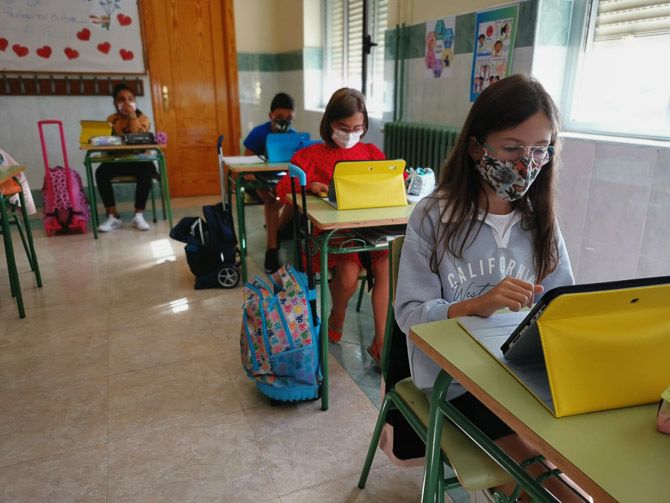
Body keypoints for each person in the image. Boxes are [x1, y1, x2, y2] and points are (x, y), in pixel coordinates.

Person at [395, 75, 583, 500]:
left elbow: (563, 305)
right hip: (456, 381)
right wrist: (474, 305)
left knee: (578, 465)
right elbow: (409, 313)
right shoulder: (434, 216)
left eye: (540, 150)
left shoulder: (540, 220)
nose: (526, 163)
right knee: (552, 491)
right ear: (476, 147)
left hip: (518, 377)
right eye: (512, 149)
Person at [275, 88, 388, 364]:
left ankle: (382, 343)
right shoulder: (312, 155)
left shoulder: (371, 153)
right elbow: (284, 187)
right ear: (329, 124)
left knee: (387, 266)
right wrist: (310, 186)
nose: (351, 134)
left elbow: (388, 182)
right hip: (336, 233)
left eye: (358, 128)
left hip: (371, 229)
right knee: (348, 276)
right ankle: (337, 316)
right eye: (343, 128)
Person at [243, 92, 296, 273]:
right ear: (270, 116)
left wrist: (282, 185)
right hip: (258, 180)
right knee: (272, 201)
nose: (284, 121)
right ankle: (272, 249)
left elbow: (294, 167)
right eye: (280, 116)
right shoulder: (259, 133)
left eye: (289, 118)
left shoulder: (294, 137)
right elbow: (247, 167)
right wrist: (260, 182)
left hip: (280, 179)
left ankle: (276, 229)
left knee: (295, 200)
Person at [96, 83, 155, 232]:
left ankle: (138, 215)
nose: (127, 103)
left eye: (130, 99)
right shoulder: (112, 119)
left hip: (139, 160)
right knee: (101, 172)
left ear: (135, 101)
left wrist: (132, 117)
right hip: (118, 160)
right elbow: (108, 140)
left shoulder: (143, 118)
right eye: (121, 99)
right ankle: (113, 216)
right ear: (115, 103)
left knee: (147, 170)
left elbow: (139, 137)